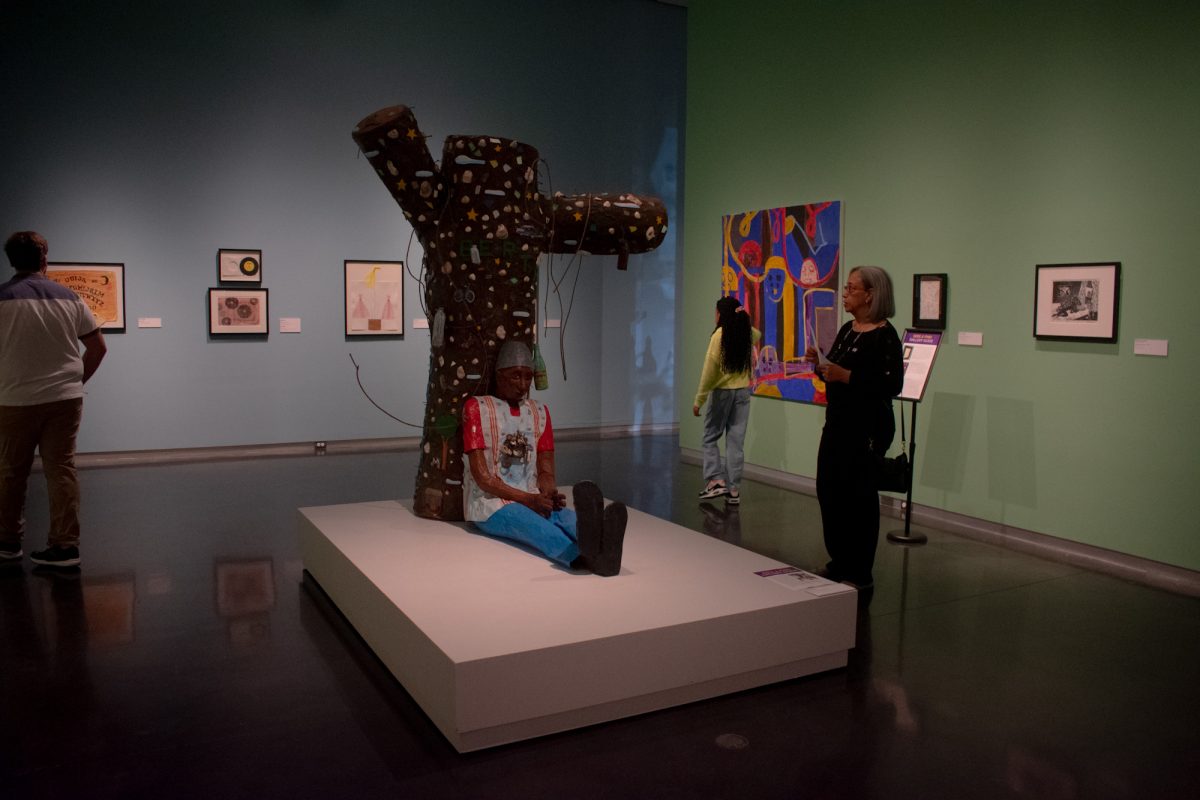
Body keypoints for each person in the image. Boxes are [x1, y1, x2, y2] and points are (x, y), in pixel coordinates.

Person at [462, 341, 625, 576]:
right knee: (534, 527)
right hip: (490, 503)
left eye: (528, 378)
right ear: (499, 375)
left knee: (565, 517)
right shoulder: (476, 409)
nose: (523, 385)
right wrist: (529, 500)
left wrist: (548, 493)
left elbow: (546, 469)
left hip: (531, 496)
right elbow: (483, 478)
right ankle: (584, 556)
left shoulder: (539, 411)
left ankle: (601, 544)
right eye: (515, 376)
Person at [0, 231, 107, 568]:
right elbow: (98, 347)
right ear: (44, 258)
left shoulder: (2, 298)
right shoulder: (70, 298)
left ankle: (7, 542)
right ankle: (65, 546)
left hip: (13, 398)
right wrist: (74, 381)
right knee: (61, 470)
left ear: (11, 260)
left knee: (10, 473)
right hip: (64, 400)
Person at [805, 266, 902, 590]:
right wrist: (818, 365)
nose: (845, 294)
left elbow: (892, 383)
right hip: (837, 425)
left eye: (851, 289)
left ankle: (860, 571)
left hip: (865, 430)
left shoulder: (885, 335)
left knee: (858, 498)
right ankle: (840, 559)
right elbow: (834, 369)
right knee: (829, 491)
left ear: (870, 295)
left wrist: (847, 377)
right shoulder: (848, 329)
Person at [693, 296, 759, 505]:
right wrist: (742, 318)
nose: (715, 316)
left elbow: (708, 372)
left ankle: (715, 480)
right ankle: (733, 490)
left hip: (722, 393)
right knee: (735, 443)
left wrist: (699, 400)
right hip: (742, 393)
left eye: (716, 312)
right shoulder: (745, 333)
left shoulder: (719, 336)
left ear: (721, 314)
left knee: (710, 437)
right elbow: (757, 333)